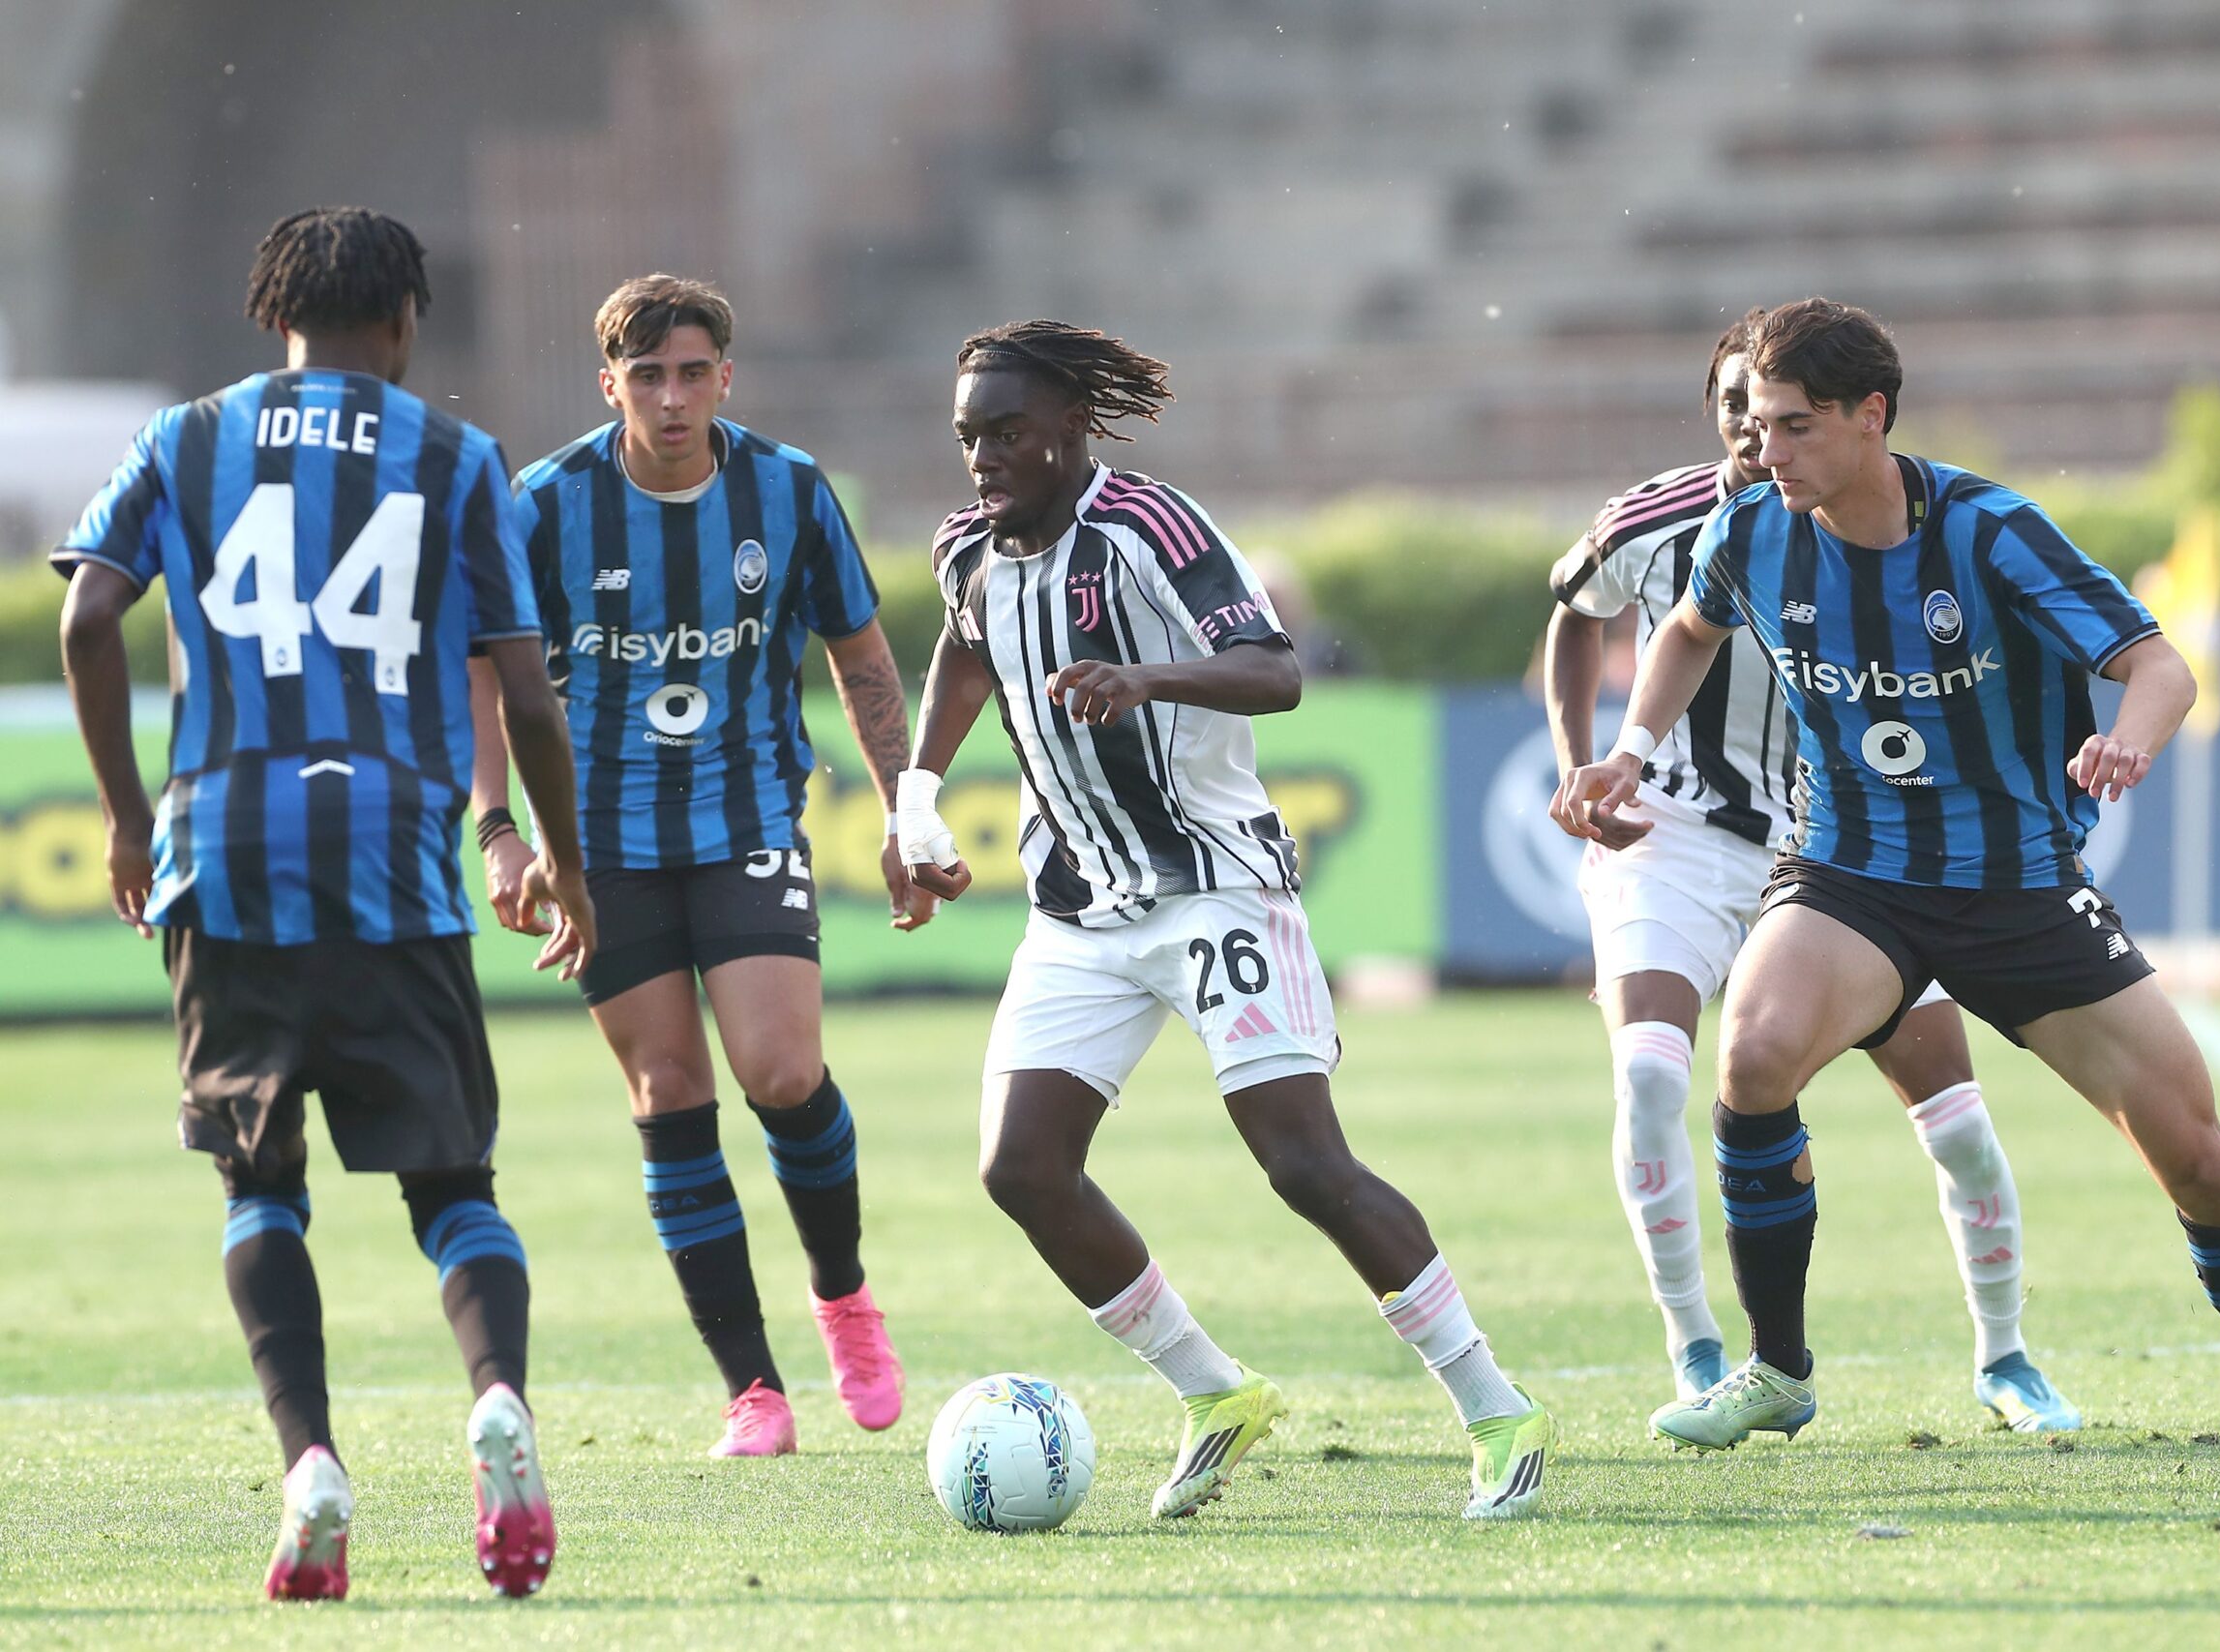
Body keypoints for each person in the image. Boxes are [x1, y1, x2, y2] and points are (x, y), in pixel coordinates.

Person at [1553, 297, 2220, 1472]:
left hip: (2016, 886)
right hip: (1850, 875)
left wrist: (2129, 743)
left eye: (1796, 426)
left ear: (1871, 416)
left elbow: (2157, 667)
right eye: (1756, 425)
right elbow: (1689, 631)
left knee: (2197, 1158)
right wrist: (1630, 748)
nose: (1767, 451)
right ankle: (1778, 1371)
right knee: (1751, 1057)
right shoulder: (1750, 527)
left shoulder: (1989, 530)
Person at [895, 319, 1553, 1520]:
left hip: (1214, 887)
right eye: (966, 437)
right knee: (1021, 1169)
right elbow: (966, 644)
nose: (983, 459)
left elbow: (1274, 670)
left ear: (1071, 428)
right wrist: (916, 793)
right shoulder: (966, 549)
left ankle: (1497, 1408)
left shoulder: (1152, 526)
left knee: (1303, 1165)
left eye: (1007, 433)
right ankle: (1214, 1392)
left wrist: (1141, 677)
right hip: (1080, 909)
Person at [54, 207, 594, 1600]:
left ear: (271, 314)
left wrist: (126, 816)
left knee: (257, 1180)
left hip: (222, 844)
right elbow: (526, 694)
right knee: (452, 1181)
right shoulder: (457, 457)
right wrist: (560, 859)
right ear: (405, 324)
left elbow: (85, 617)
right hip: (393, 852)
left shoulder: (183, 439)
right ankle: (498, 1399)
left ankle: (310, 1467)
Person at [1543, 308, 2077, 1429]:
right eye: (1737, 407)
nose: (1756, 432)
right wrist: (1586, 760)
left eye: (1780, 413)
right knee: (1652, 1076)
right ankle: (1697, 1348)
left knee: (1953, 1113)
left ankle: (2006, 1357)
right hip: (1680, 833)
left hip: (1849, 849)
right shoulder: (1659, 519)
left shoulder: (1903, 525)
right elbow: (1576, 613)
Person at [470, 275, 919, 1456]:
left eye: (690, 374)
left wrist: (905, 811)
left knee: (781, 1069)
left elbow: (862, 657)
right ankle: (752, 1390)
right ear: (608, 385)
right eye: (646, 377)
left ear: (726, 377)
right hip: (596, 844)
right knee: (668, 1092)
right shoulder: (545, 505)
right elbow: (481, 669)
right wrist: (499, 829)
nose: (670, 400)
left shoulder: (790, 488)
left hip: (746, 815)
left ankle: (843, 1297)